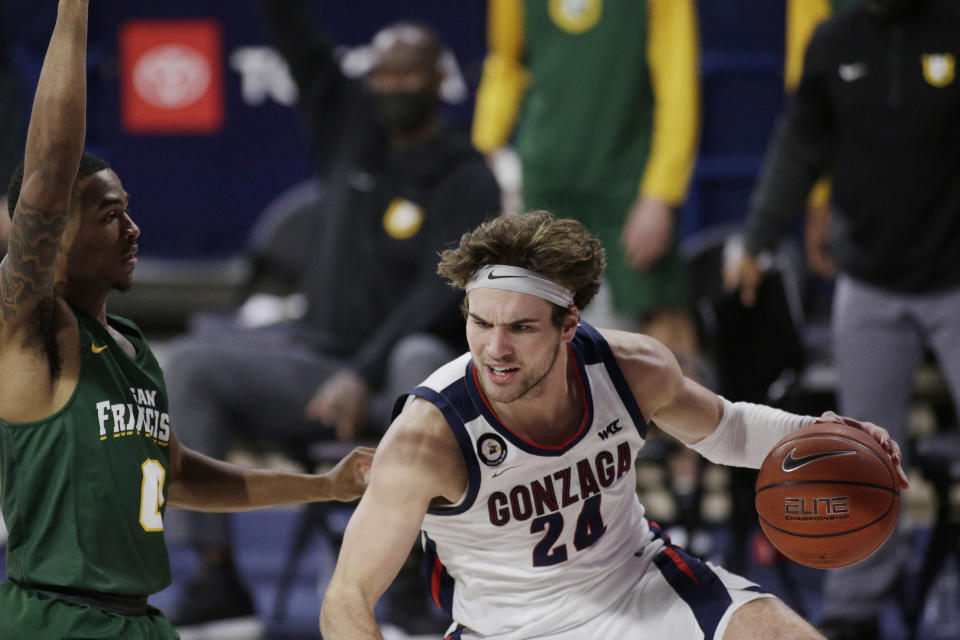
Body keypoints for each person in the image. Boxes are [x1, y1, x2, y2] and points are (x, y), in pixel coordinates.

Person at [319, 211, 908, 640]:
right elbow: (346, 600)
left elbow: (727, 430)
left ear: (569, 323)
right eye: (480, 323)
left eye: (521, 328)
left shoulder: (631, 368)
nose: (495, 349)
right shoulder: (428, 436)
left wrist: (828, 436)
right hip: (505, 629)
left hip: (640, 586)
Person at [0, 3, 373, 638]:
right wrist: (73, 10)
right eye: (110, 215)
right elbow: (46, 172)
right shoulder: (34, 333)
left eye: (128, 210)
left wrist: (326, 486)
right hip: (57, 619)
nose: (133, 228)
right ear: (55, 232)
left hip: (143, 620)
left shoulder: (134, 347)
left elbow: (177, 475)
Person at [160, 0, 501, 629]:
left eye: (407, 75)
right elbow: (301, 43)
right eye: (382, 75)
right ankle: (216, 576)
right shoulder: (350, 128)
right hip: (313, 365)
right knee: (189, 367)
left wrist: (359, 372)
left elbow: (436, 298)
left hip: (394, 388)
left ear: (438, 82)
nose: (392, 87)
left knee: (423, 359)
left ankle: (406, 584)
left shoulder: (467, 178)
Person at [725, 1, 960, 638]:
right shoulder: (834, 39)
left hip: (955, 279)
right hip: (869, 281)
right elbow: (800, 143)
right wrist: (758, 239)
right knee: (862, 454)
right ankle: (855, 605)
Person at [472, 0, 700, 365]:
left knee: (663, 333)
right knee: (536, 330)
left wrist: (662, 193)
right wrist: (486, 144)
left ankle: (690, 422)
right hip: (546, 178)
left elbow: (677, 83)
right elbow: (506, 62)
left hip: (628, 182)